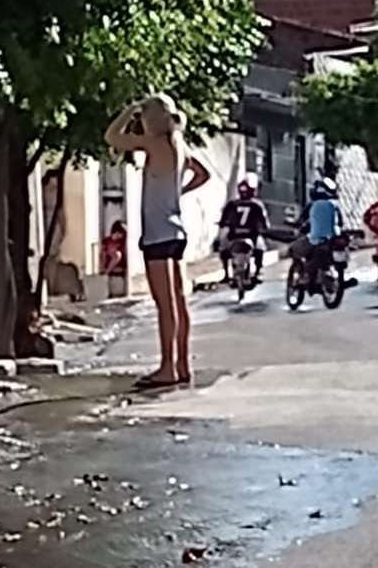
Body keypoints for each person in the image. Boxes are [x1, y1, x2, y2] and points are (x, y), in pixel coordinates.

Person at [105, 94, 210, 389]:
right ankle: (182, 364)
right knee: (178, 300)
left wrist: (129, 110)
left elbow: (112, 137)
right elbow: (203, 175)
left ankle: (166, 367)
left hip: (158, 234)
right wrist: (179, 192)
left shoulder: (154, 143)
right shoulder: (180, 145)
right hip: (176, 231)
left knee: (165, 304)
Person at [290, 178, 343, 284]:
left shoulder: (313, 206)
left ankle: (304, 275)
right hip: (333, 239)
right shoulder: (335, 206)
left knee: (293, 249)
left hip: (318, 241)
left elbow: (301, 221)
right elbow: (341, 223)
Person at [218, 178, 270, 283]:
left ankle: (226, 274)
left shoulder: (232, 204)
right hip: (252, 235)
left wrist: (223, 224)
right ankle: (257, 273)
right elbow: (265, 223)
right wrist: (264, 229)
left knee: (223, 249)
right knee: (260, 250)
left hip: (234, 235)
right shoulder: (257, 205)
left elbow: (223, 220)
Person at [101, 220, 127, 298]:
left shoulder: (121, 243)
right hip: (110, 269)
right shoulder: (107, 241)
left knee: (117, 255)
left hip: (117, 269)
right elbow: (103, 255)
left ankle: (106, 274)